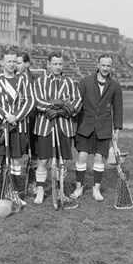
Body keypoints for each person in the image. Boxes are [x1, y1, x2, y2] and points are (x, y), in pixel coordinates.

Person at [0, 50, 35, 204]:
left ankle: (13, 192)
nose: (12, 64)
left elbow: (30, 101)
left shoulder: (23, 80)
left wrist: (16, 116)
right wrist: (6, 115)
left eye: (14, 61)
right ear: (2, 63)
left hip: (18, 126)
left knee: (16, 161)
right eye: (9, 61)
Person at [71, 53, 123, 201]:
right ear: (98, 65)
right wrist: (73, 125)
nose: (106, 68)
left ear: (111, 67)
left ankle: (96, 190)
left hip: (104, 128)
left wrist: (117, 130)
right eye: (103, 65)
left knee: (99, 158)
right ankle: (78, 188)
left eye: (108, 65)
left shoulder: (115, 86)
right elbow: (77, 104)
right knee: (82, 156)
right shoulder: (85, 82)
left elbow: (118, 109)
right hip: (85, 126)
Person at [32, 52, 81, 204]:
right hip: (45, 126)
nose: (57, 67)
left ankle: (60, 191)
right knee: (43, 161)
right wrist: (56, 104)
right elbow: (37, 101)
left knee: (62, 161)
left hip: (64, 126)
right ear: (48, 64)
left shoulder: (70, 82)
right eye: (54, 64)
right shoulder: (39, 81)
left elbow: (77, 101)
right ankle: (40, 191)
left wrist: (62, 110)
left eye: (60, 64)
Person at [17, 51, 38, 196]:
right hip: (16, 122)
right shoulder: (10, 79)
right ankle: (10, 182)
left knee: (34, 154)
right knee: (14, 153)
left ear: (26, 64)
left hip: (32, 121)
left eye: (18, 63)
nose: (15, 65)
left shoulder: (35, 80)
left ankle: (32, 182)